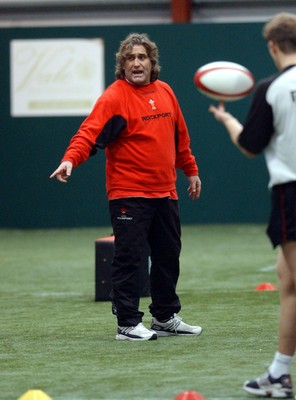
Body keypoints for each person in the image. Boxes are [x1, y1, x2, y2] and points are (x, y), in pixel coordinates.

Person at [50, 33, 202, 341]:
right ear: (122, 64)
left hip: (166, 192)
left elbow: (180, 138)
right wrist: (70, 160)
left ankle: (164, 316)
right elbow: (88, 135)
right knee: (130, 258)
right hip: (128, 194)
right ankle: (127, 323)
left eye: (142, 57)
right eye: (130, 58)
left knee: (167, 256)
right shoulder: (114, 97)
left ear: (151, 62)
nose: (136, 63)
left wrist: (191, 170)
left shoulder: (166, 92)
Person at [209, 12, 296, 399]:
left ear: (273, 46)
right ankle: (279, 373)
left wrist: (226, 120)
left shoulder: (270, 88)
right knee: (287, 279)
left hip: (291, 193)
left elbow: (248, 145)